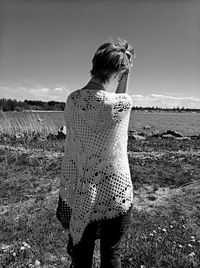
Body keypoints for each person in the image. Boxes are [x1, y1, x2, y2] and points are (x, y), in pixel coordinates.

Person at [56, 39, 135, 268]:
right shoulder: (122, 104)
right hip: (115, 191)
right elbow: (118, 101)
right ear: (119, 72)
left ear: (95, 63)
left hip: (82, 192)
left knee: (81, 256)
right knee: (111, 254)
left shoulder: (72, 101)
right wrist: (126, 75)